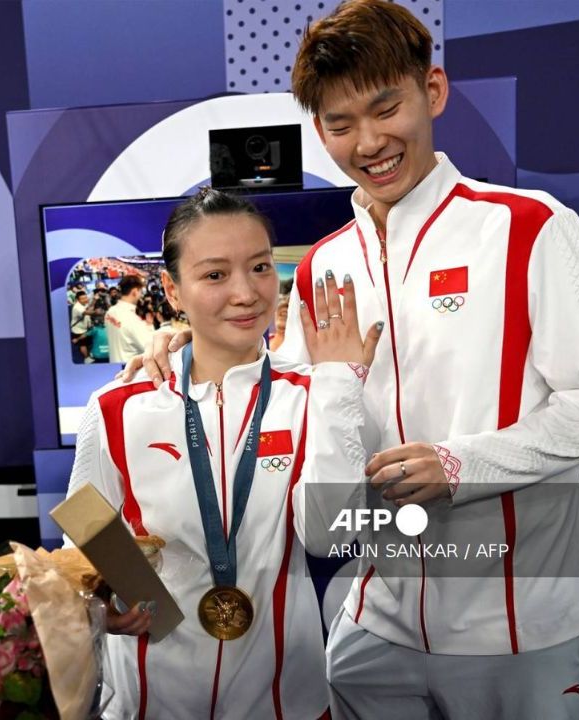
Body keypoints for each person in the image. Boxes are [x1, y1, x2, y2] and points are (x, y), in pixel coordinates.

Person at [123, 2, 579, 717]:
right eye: (340, 124)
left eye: (385, 108)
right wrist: (195, 344)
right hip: (375, 618)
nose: (368, 142)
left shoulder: (529, 226)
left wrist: (462, 465)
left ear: (432, 92)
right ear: (320, 132)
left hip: (519, 623)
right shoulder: (323, 265)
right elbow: (289, 400)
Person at [67, 187, 382, 719]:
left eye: (260, 268)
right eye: (215, 275)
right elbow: (86, 522)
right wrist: (111, 603)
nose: (246, 293)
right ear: (172, 290)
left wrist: (339, 386)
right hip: (152, 696)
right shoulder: (120, 405)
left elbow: (332, 535)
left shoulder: (315, 396)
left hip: (285, 698)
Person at [105, 275, 156, 363]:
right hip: (130, 370)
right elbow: (150, 348)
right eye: (140, 291)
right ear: (135, 292)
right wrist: (150, 327)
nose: (141, 295)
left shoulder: (110, 312)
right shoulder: (132, 319)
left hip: (114, 363)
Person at [70, 289, 97, 363]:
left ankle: (89, 354)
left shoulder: (84, 304)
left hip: (85, 328)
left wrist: (94, 300)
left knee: (88, 342)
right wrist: (97, 312)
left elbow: (90, 308)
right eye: (83, 299)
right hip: (78, 330)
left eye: (86, 297)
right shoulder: (77, 307)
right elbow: (87, 312)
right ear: (78, 300)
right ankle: (86, 358)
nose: (85, 299)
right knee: (83, 344)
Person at [269, 278, 294, 351]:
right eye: (280, 299)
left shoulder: (306, 352)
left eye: (291, 299)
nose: (284, 303)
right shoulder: (259, 344)